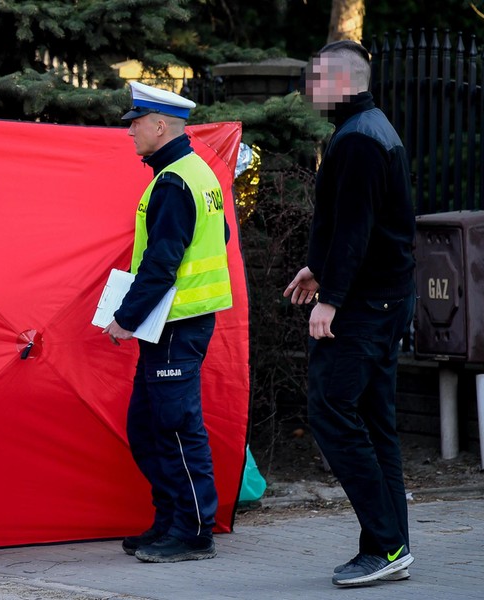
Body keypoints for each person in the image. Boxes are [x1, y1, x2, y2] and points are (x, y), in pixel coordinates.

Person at [283, 40, 416, 587]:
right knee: (374, 423)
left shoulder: (359, 139)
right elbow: (349, 220)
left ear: (340, 81)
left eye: (315, 80)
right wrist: (317, 267)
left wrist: (331, 299)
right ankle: (392, 547)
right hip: (381, 299)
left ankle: (385, 546)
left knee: (334, 414)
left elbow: (359, 228)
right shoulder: (370, 129)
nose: (309, 90)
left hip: (362, 306)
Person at [101, 81, 233, 563]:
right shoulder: (193, 173)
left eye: (135, 124)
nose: (130, 132)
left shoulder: (176, 180)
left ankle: (195, 531)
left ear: (160, 126)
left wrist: (124, 318)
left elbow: (163, 263)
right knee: (148, 425)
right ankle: (170, 520)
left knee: (175, 426)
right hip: (173, 323)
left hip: (176, 323)